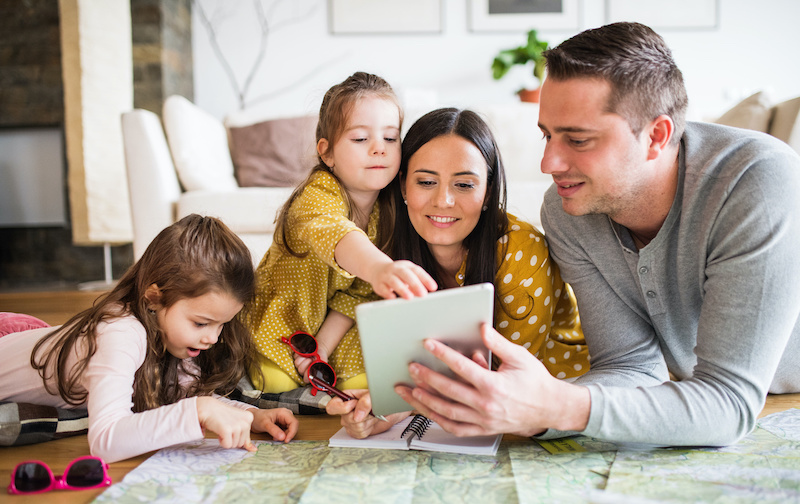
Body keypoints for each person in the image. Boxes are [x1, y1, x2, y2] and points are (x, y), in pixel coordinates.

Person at [392, 22, 800, 447]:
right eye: (547, 135)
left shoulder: (757, 181)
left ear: (656, 137)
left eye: (578, 140)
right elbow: (630, 367)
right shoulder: (568, 211)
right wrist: (533, 411)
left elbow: (728, 404)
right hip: (724, 407)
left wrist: (558, 406)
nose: (548, 162)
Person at [327, 107, 589, 438]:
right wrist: (384, 407)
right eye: (425, 182)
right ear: (404, 187)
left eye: (464, 184)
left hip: (562, 398)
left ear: (488, 193)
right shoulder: (387, 253)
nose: (444, 200)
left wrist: (402, 405)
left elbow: (502, 381)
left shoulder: (521, 250)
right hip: (475, 406)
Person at [0, 215, 299, 463]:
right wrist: (199, 412)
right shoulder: (119, 333)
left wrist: (251, 415)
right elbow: (105, 441)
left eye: (222, 325)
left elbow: (186, 393)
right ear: (154, 297)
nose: (212, 338)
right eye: (201, 323)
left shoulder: (170, 334)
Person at [244, 72, 437, 394]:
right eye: (361, 139)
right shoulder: (317, 195)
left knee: (372, 382)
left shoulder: (388, 212)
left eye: (390, 138)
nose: (379, 149)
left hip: (333, 323)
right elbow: (336, 233)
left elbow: (358, 294)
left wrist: (322, 347)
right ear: (327, 152)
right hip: (283, 317)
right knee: (277, 384)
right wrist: (378, 268)